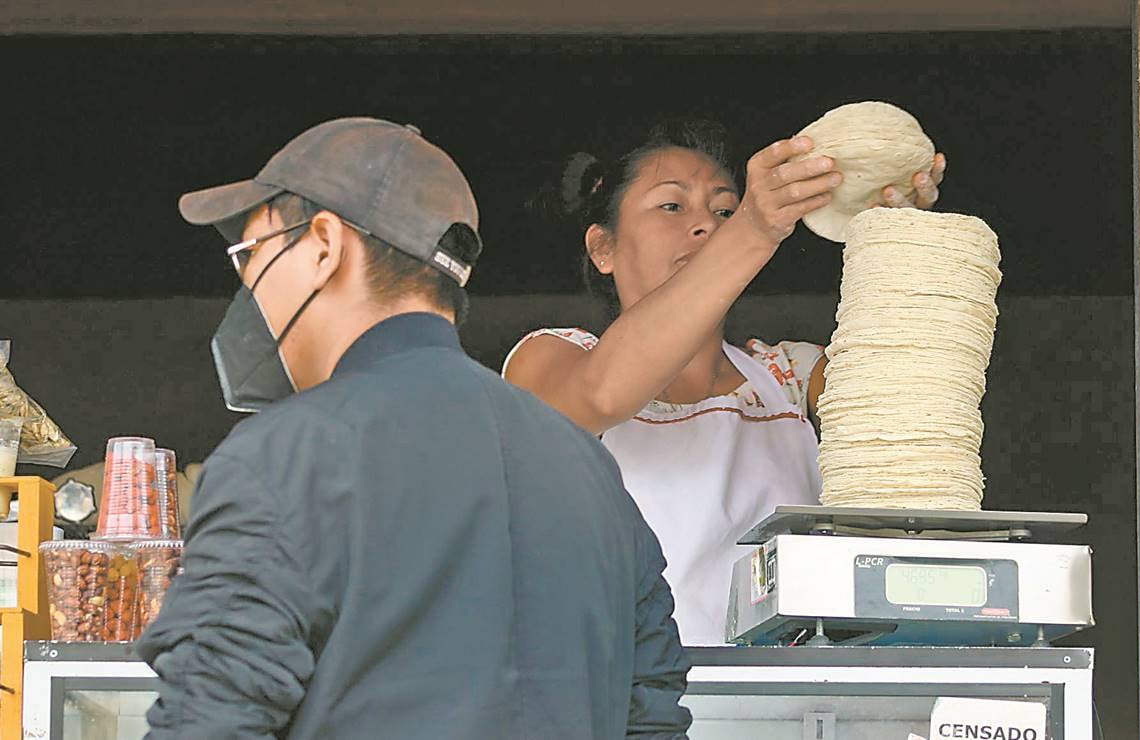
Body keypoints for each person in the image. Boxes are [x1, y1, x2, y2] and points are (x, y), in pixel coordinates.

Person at [136, 117, 692, 739]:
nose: (249, 287)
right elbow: (653, 719)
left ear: (323, 244)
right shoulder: (593, 475)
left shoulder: (285, 455)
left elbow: (207, 722)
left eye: (252, 253)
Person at [503, 119, 945, 646]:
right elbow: (602, 394)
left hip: (788, 714)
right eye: (672, 206)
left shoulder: (790, 377)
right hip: (620, 712)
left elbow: (913, 414)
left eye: (724, 211)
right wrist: (752, 228)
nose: (705, 226)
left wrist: (895, 239)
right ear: (603, 247)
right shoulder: (551, 357)